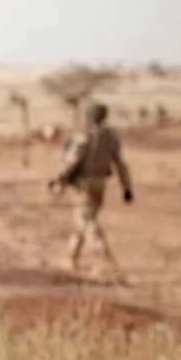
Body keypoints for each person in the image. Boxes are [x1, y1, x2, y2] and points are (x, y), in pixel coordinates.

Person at [49, 102, 133, 273]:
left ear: (89, 118)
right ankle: (71, 259)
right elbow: (120, 164)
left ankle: (105, 259)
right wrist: (127, 188)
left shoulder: (83, 136)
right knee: (83, 221)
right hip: (100, 184)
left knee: (87, 222)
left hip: (83, 185)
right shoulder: (111, 136)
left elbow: (72, 161)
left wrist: (57, 178)